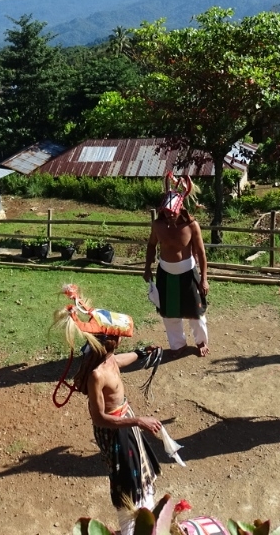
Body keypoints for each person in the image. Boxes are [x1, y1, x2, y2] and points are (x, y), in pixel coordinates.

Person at [52, 285, 162, 535]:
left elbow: (124, 360)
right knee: (127, 483)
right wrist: (137, 422)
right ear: (113, 340)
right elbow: (99, 418)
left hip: (125, 422)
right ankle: (131, 527)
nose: (123, 341)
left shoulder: (110, 360)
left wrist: (143, 353)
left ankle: (144, 521)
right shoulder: (96, 375)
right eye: (121, 338)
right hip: (115, 432)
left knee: (139, 479)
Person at [143, 173, 210, 356]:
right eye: (165, 213)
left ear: (180, 210)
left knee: (196, 312)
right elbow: (151, 246)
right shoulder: (158, 225)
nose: (168, 217)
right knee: (170, 313)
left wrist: (204, 279)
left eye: (171, 214)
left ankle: (201, 341)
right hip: (166, 272)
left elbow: (202, 253)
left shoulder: (192, 226)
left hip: (188, 273)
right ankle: (178, 345)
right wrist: (147, 267)